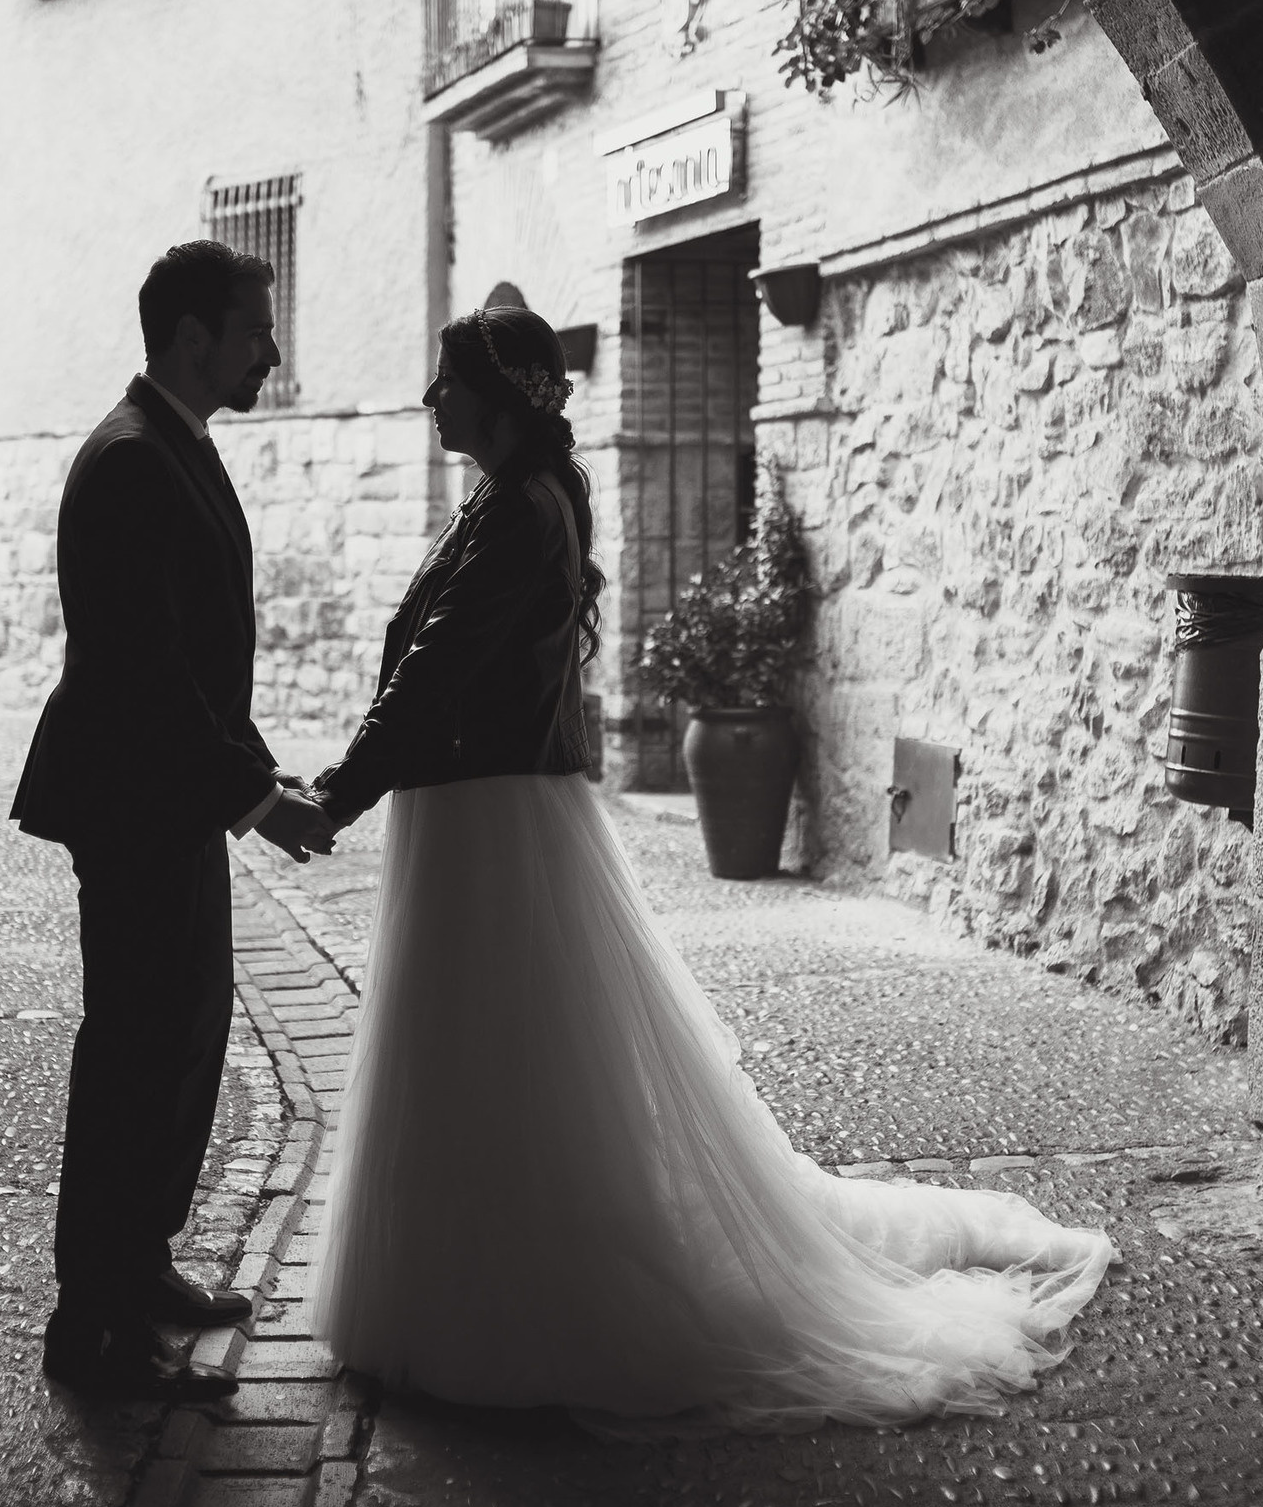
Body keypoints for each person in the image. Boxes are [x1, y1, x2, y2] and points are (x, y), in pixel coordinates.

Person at [301, 306, 1117, 1428]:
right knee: (479, 1047)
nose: (430, 402)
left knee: (498, 1046)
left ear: (495, 398)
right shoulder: (505, 498)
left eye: (444, 384)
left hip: (490, 816)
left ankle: (511, 1292)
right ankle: (479, 1264)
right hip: (469, 808)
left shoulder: (520, 511)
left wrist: (337, 792)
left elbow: (440, 666)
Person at [11, 240, 340, 1399]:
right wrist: (254, 800)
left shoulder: (173, 443)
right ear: (192, 335)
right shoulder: (131, 460)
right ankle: (92, 1323)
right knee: (135, 1055)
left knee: (184, 1038)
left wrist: (252, 774)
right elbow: (146, 674)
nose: (272, 348)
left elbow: (200, 663)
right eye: (255, 328)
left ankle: (137, 1266)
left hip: (171, 799)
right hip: (133, 801)